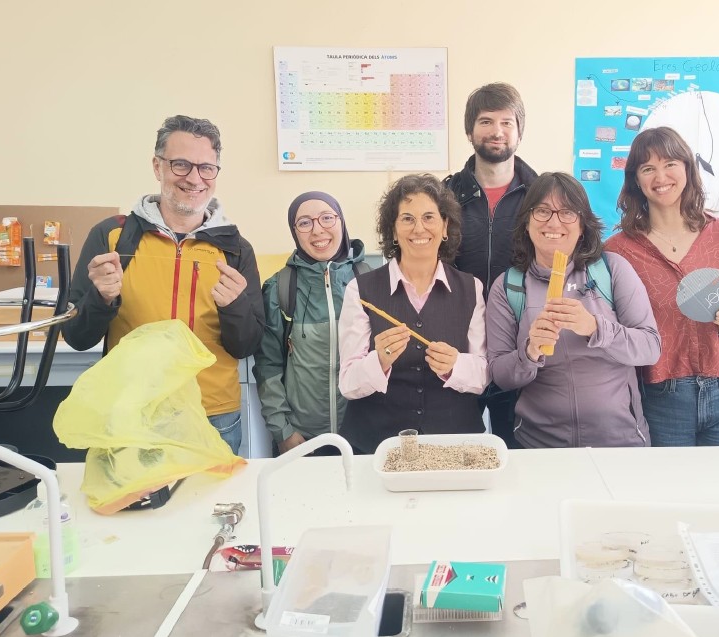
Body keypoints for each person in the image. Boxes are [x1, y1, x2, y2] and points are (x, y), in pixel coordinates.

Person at [64, 115, 263, 454]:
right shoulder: (112, 237)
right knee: (130, 492)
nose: (194, 178)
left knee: (211, 493)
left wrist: (234, 308)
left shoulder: (236, 248)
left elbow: (247, 345)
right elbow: (77, 337)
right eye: (181, 164)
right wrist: (101, 299)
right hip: (131, 413)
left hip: (212, 416)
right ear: (157, 166)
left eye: (206, 168)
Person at [605, 127, 719, 447]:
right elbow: (613, 330)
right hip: (659, 396)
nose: (661, 176)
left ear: (688, 168)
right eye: (648, 168)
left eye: (670, 163)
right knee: (667, 482)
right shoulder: (618, 251)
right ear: (635, 180)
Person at [486, 172, 661, 449]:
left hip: (619, 443)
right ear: (527, 222)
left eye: (567, 212)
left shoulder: (612, 269)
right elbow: (500, 375)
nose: (554, 222)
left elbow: (650, 348)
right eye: (542, 211)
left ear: (582, 225)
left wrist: (595, 327)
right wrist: (529, 352)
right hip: (539, 446)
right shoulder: (509, 286)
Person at [337, 174, 488, 453]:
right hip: (376, 446)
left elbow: (482, 375)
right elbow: (347, 382)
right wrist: (379, 361)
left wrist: (455, 365)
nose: (419, 228)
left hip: (453, 446)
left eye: (429, 217)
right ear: (393, 231)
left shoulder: (472, 288)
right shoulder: (360, 290)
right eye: (407, 219)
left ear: (445, 226)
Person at [444, 82, 539, 449]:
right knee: (456, 451)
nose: (497, 131)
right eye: (486, 121)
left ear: (519, 131)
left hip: (520, 346)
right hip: (457, 344)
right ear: (470, 131)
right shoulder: (444, 196)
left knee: (517, 450)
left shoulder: (541, 196)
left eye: (506, 122)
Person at [253, 192, 367, 455]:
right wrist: (283, 432)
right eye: (305, 223)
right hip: (301, 441)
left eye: (327, 218)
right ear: (294, 232)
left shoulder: (368, 281)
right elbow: (268, 367)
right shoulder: (279, 288)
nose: (317, 230)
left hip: (362, 437)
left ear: (341, 222)